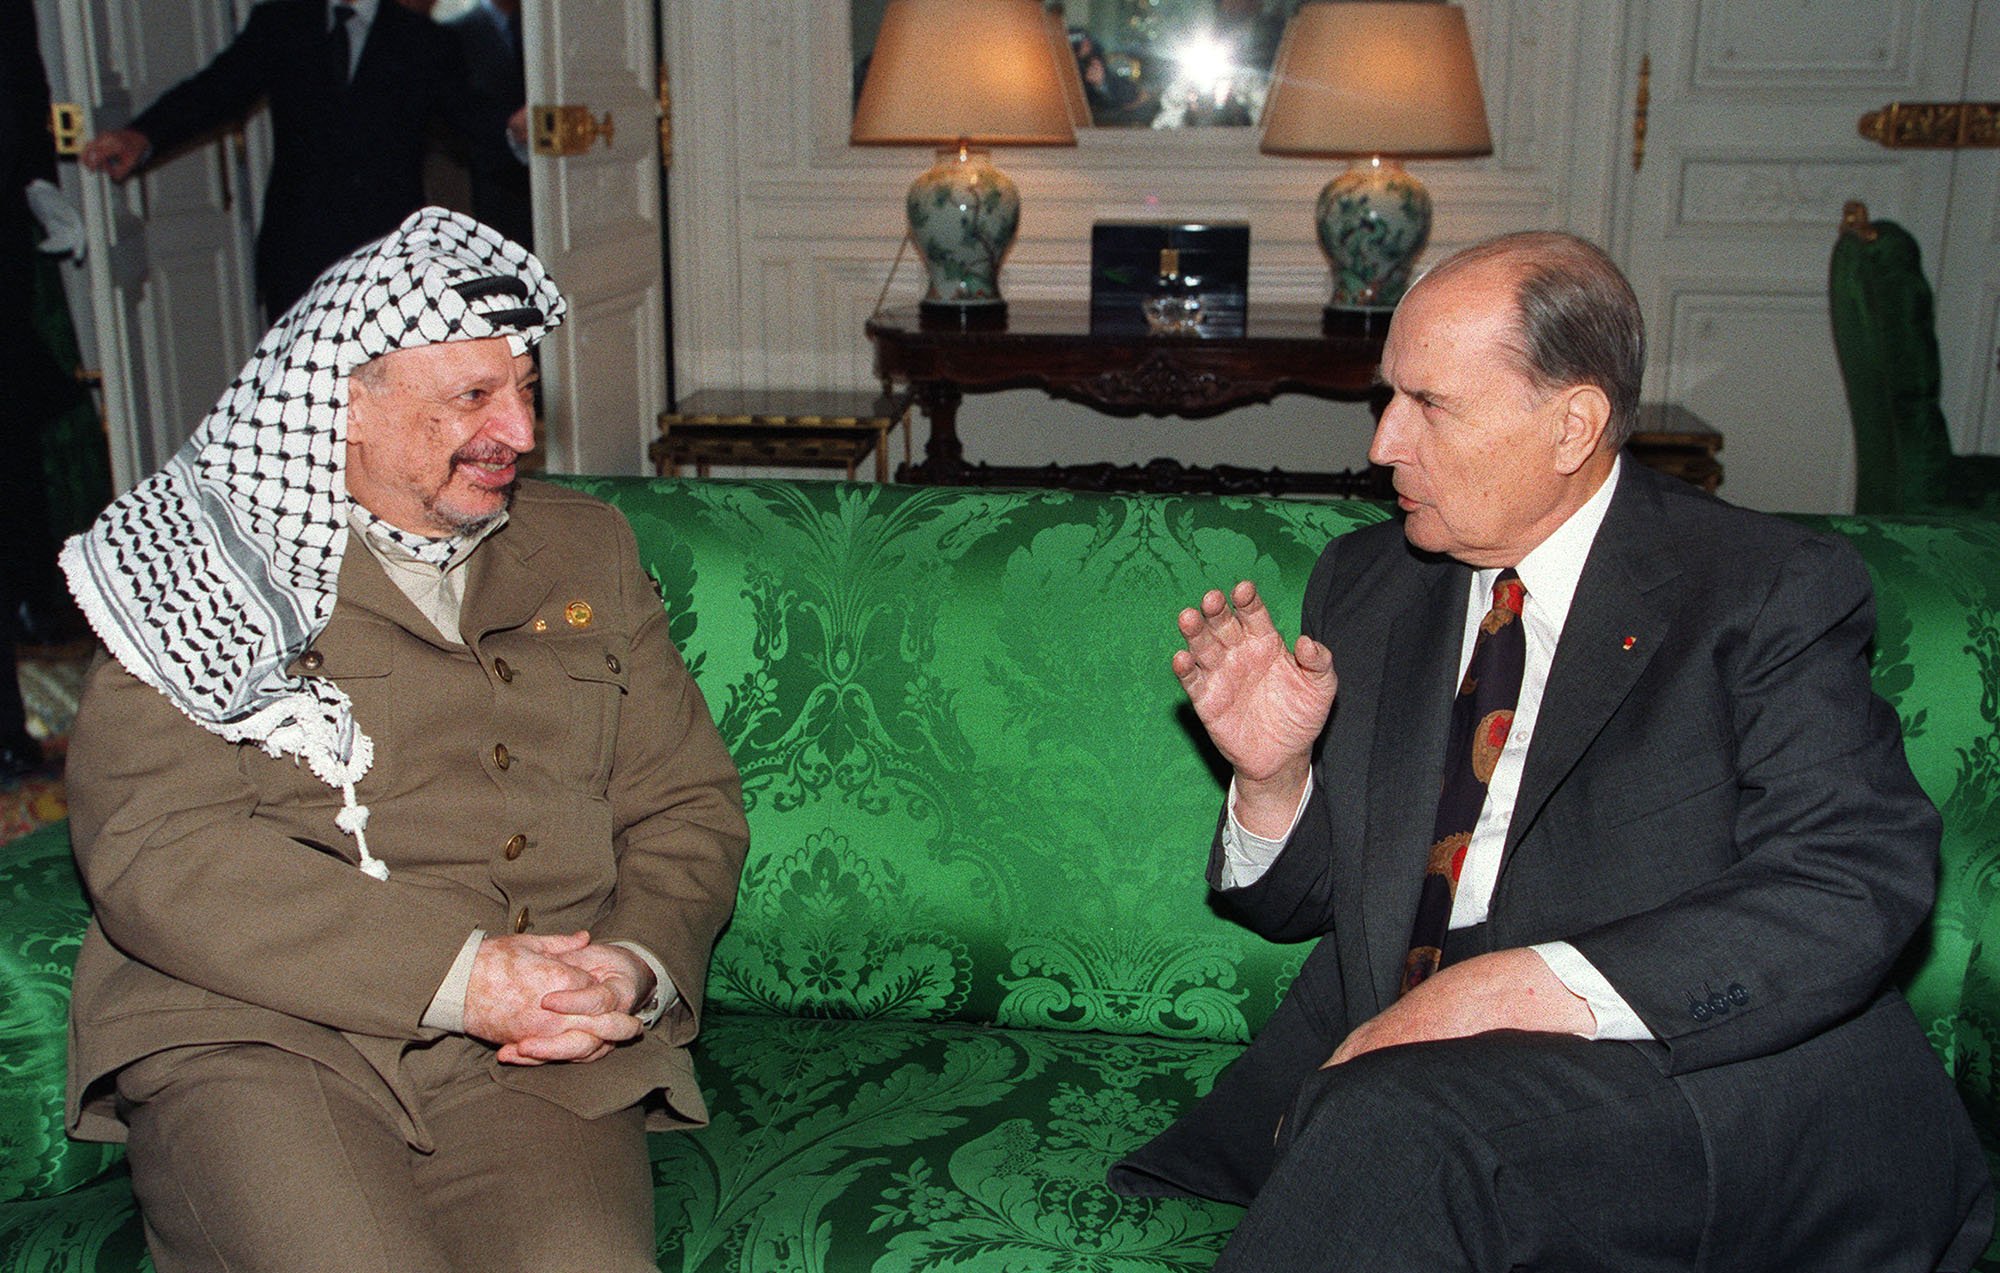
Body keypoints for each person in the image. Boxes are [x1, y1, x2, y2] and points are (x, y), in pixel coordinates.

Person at [1109, 231, 1993, 1270]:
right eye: (1384, 398)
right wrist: (1271, 777)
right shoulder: (1370, 581)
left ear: (1570, 424)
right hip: (1403, 1094)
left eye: (1428, 405)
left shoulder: (1759, 589)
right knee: (1392, 1125)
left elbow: (1852, 881)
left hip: (1678, 1078)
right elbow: (1302, 907)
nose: (1382, 442)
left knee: (1396, 1129)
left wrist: (1516, 988)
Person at [59, 208, 749, 1273]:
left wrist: (628, 966)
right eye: (472, 398)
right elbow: (158, 849)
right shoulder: (191, 564)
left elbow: (683, 803)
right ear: (344, 405)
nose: (518, 432)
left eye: (523, 388)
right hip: (253, 1034)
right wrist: (461, 975)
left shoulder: (585, 547)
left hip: (529, 1049)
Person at [79, 0, 513, 322]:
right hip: (298, 252)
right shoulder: (282, 23)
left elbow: (468, 115)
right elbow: (215, 91)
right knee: (301, 401)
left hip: (388, 254)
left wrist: (518, 128)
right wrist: (142, 135)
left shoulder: (425, 41)